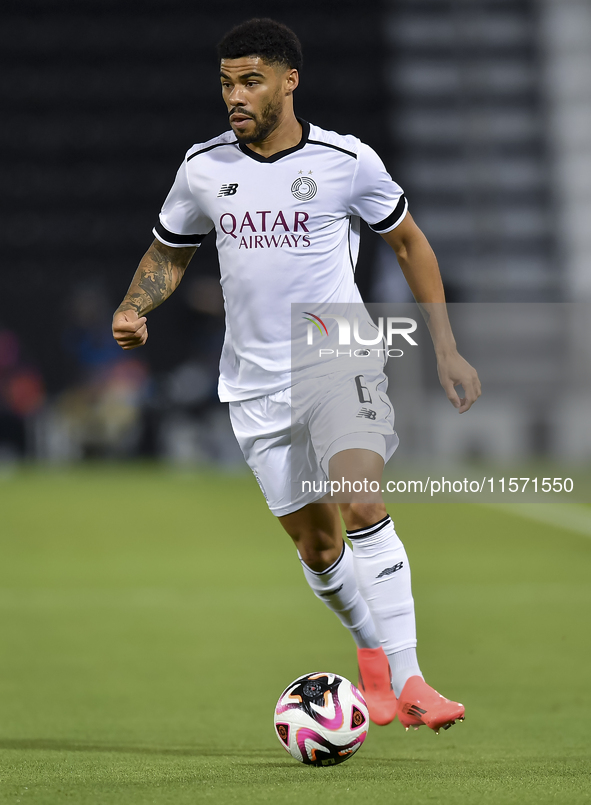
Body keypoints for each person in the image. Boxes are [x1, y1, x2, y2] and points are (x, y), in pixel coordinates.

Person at [112, 18, 481, 733]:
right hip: (252, 380)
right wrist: (135, 302)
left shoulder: (346, 161)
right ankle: (372, 660)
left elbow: (406, 240)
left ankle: (410, 681)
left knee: (359, 498)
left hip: (335, 353)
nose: (234, 96)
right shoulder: (203, 168)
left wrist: (445, 346)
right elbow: (168, 252)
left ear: (289, 80)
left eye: (249, 80)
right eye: (225, 82)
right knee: (317, 548)